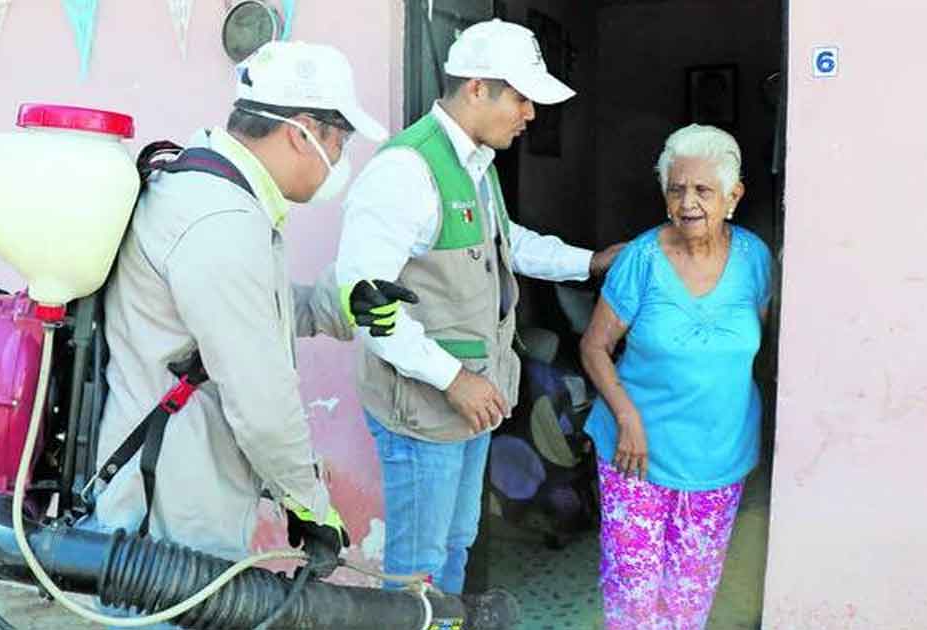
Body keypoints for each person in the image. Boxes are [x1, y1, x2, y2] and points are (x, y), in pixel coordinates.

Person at [86, 41, 415, 627]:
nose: (339, 161)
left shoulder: (204, 189)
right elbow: (262, 403)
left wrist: (338, 303)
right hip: (172, 503)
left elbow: (251, 311)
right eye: (340, 143)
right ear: (302, 131)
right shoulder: (221, 222)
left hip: (175, 481)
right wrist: (311, 504)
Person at [335, 19, 624, 596]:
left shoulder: (474, 166)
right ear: (476, 89)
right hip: (426, 405)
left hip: (470, 399)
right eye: (520, 97)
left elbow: (507, 244)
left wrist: (590, 262)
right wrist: (452, 379)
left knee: (454, 545)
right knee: (417, 567)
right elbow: (362, 303)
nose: (530, 114)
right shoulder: (407, 170)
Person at [579, 124, 773, 629]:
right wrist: (627, 418)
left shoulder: (755, 260)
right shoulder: (641, 260)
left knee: (690, 599)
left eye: (704, 190)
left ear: (734, 197)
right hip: (635, 454)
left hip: (719, 456)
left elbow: (762, 346)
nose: (688, 202)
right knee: (634, 596)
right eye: (676, 188)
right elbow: (595, 346)